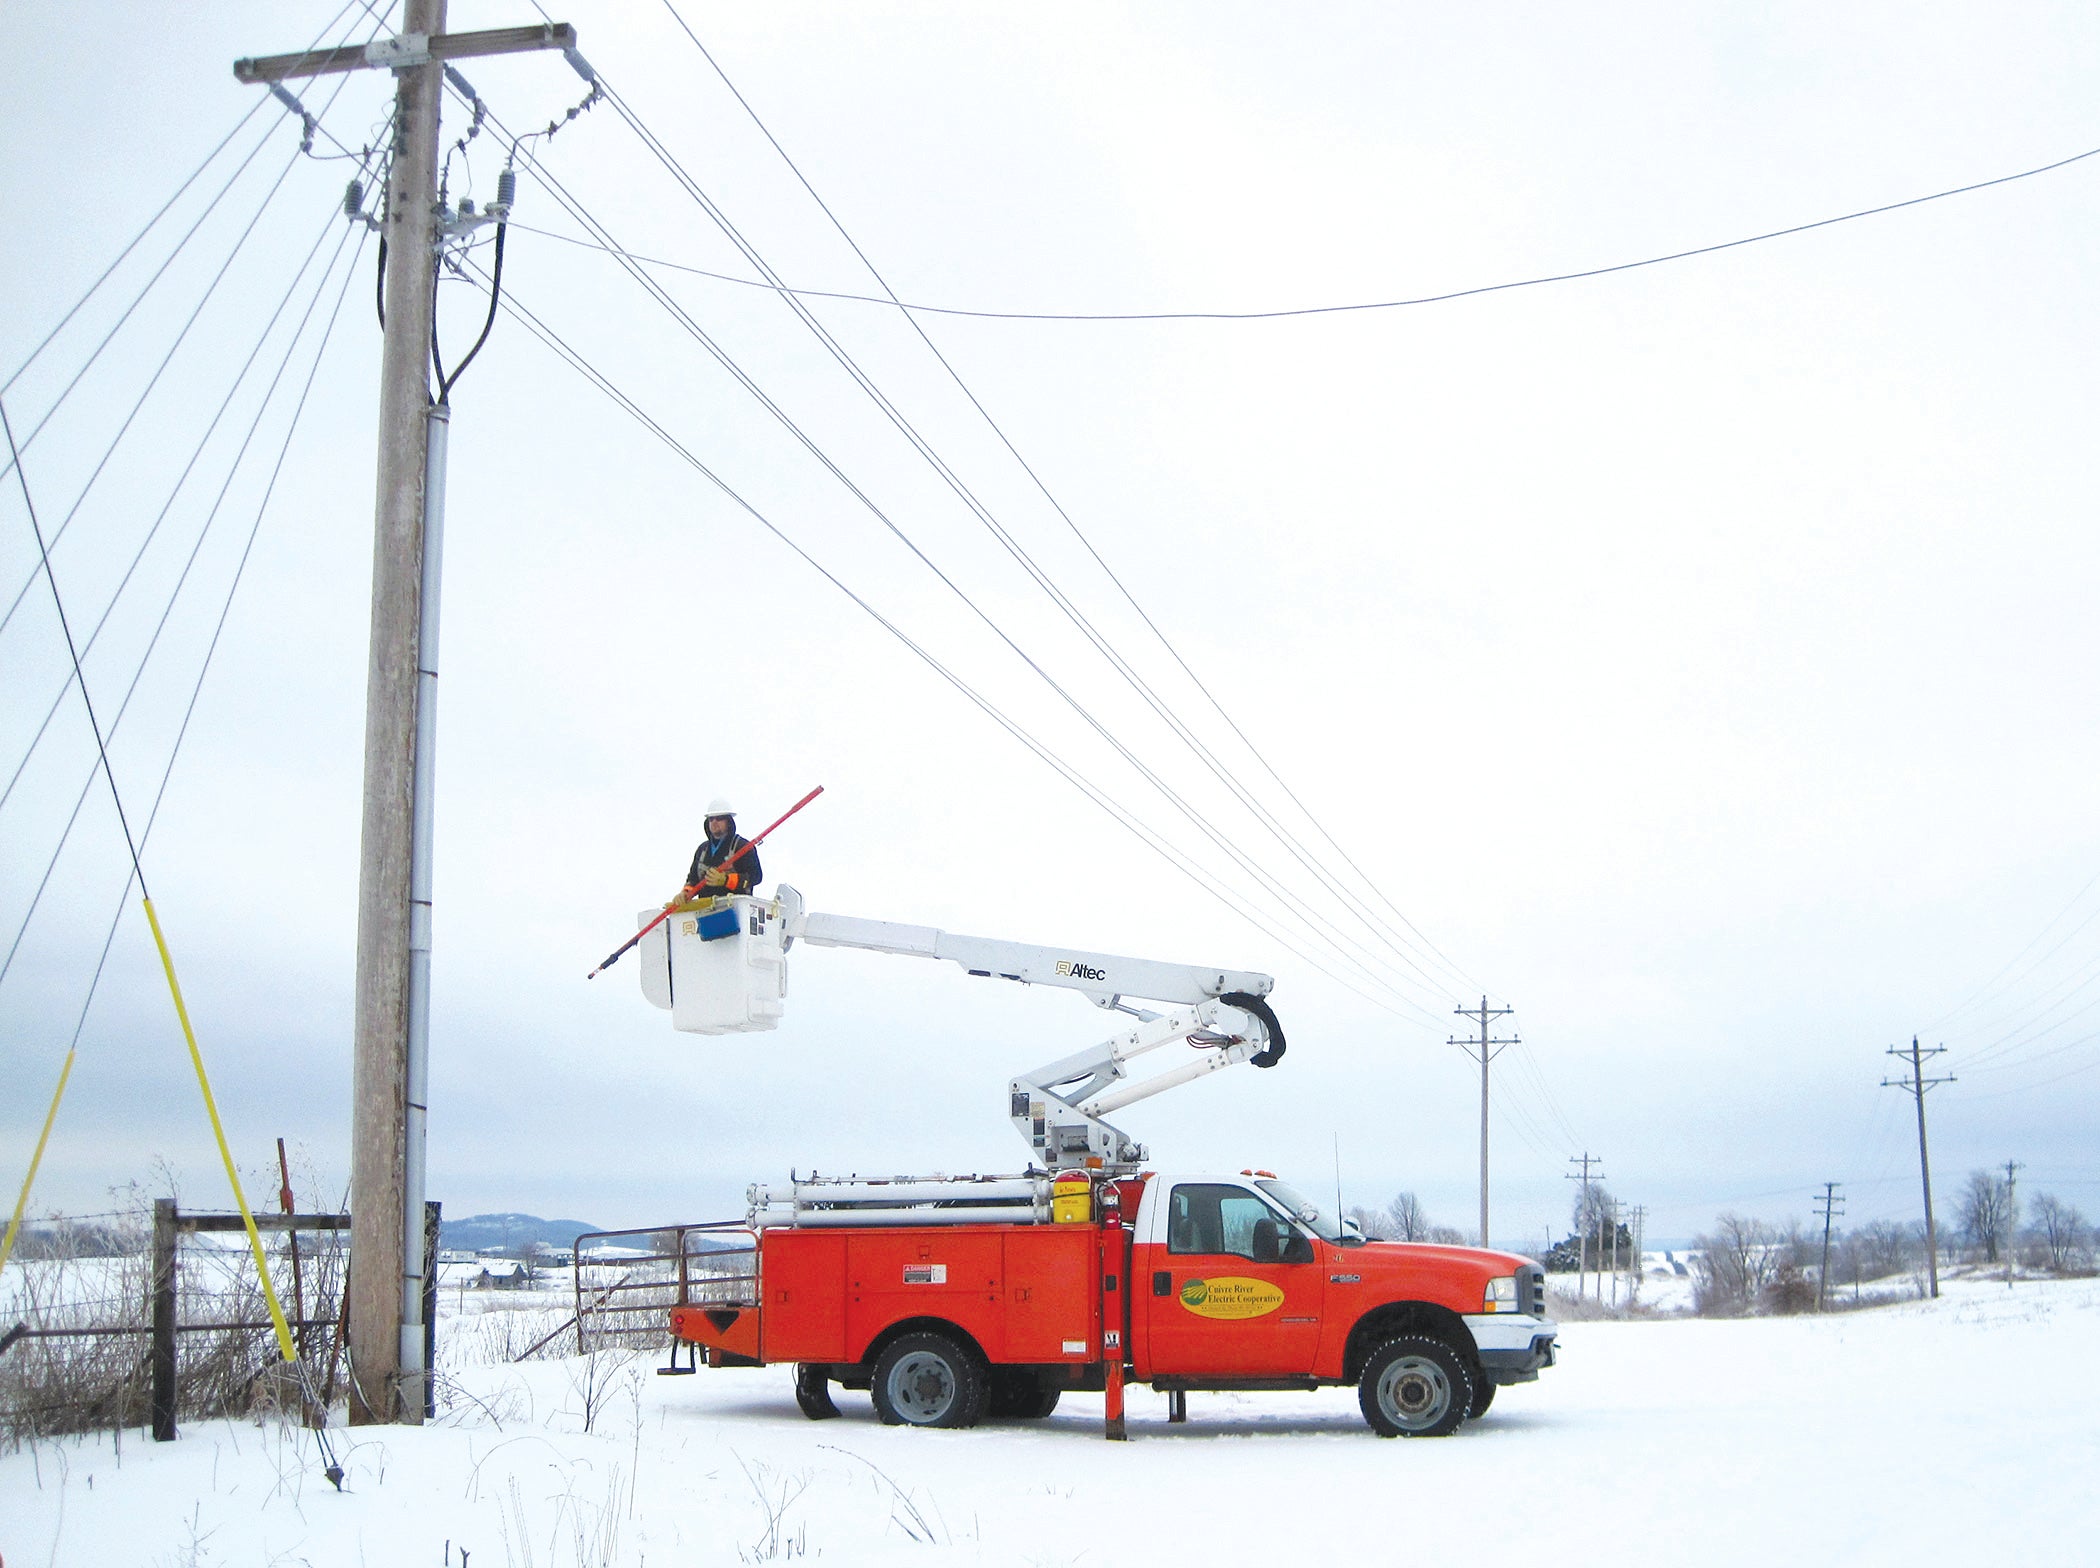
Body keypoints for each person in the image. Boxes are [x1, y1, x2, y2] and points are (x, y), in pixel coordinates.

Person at [684, 797, 762, 899]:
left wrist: (726, 880)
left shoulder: (742, 847)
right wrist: (686, 893)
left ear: (728, 822)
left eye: (719, 818)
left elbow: (755, 877)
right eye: (711, 819)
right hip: (706, 908)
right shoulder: (702, 850)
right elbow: (693, 878)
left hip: (734, 907)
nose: (714, 822)